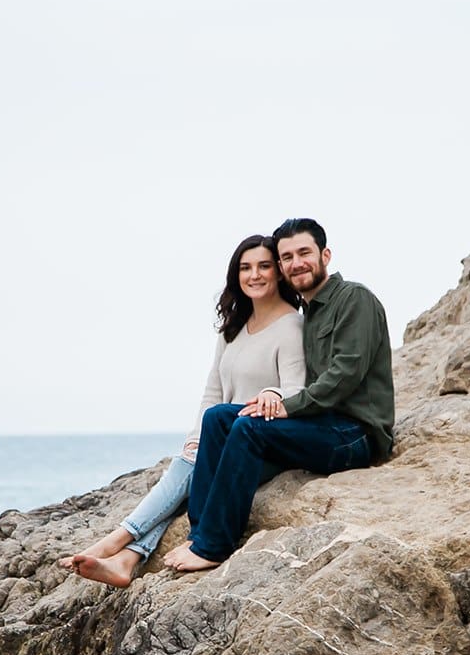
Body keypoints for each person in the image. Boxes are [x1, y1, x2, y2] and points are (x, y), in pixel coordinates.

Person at [61, 235, 306, 587]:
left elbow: (296, 390)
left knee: (187, 471)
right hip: (220, 438)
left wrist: (271, 392)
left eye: (264, 266)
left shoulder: (291, 326)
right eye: (245, 267)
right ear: (235, 275)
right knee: (190, 466)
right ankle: (126, 561)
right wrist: (196, 439)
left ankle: (117, 541)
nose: (255, 275)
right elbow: (213, 391)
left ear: (279, 273)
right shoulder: (233, 329)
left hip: (256, 446)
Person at [163, 217, 394, 572]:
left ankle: (214, 546)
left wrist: (286, 406)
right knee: (220, 417)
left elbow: (344, 375)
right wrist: (273, 396)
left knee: (249, 428)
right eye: (287, 257)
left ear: (325, 255)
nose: (295, 262)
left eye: (304, 252)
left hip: (354, 434)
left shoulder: (354, 299)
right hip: (321, 425)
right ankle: (200, 532)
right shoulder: (309, 312)